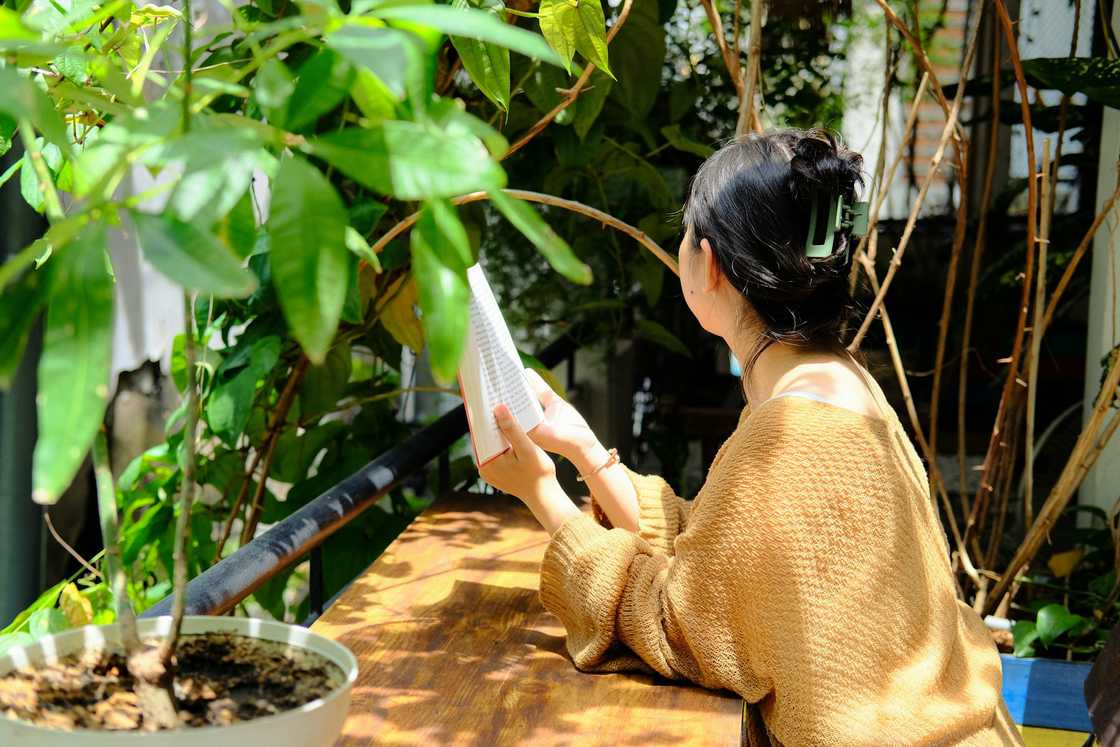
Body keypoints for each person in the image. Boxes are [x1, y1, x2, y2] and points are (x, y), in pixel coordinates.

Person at [478, 129, 1022, 746]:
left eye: (684, 234)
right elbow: (731, 572)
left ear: (707, 264)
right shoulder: (838, 382)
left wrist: (540, 492)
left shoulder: (789, 432)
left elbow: (676, 620)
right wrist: (581, 446)